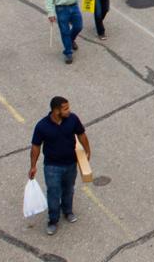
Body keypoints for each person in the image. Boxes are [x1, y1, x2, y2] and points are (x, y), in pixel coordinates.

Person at [29, 96, 90, 236]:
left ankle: (68, 211)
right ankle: (53, 220)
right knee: (54, 193)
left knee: (69, 189)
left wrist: (87, 150)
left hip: (70, 163)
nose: (69, 110)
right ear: (56, 111)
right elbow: (36, 147)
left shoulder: (73, 119)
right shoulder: (42, 126)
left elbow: (81, 134)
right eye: (65, 108)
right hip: (52, 167)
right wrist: (33, 166)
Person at [45, 0, 85, 64]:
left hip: (74, 6)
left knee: (78, 26)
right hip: (61, 9)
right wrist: (51, 13)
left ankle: (71, 40)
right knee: (65, 31)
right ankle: (68, 53)